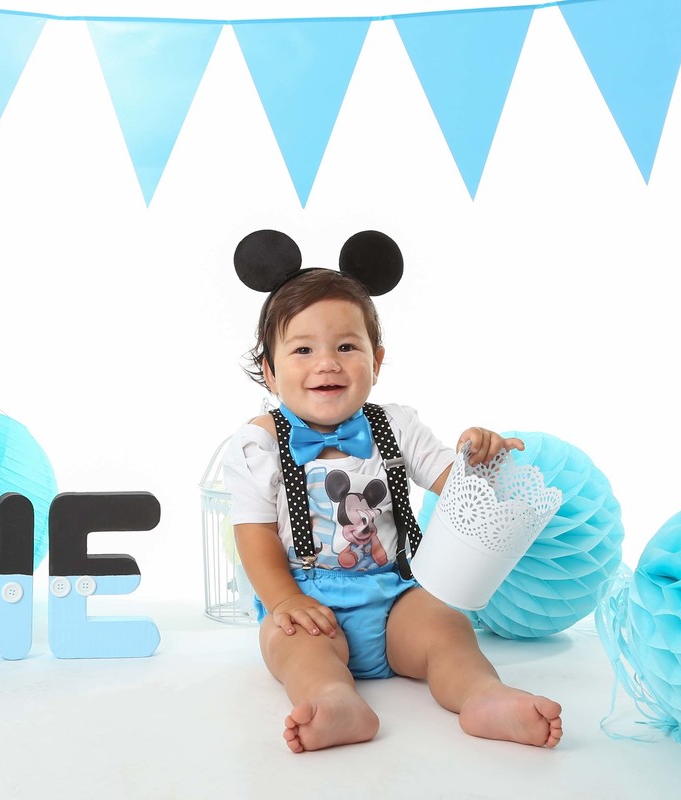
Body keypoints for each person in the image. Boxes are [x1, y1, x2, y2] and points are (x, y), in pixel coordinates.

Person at [223, 263, 563, 754]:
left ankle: (483, 695)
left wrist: (478, 459)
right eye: (303, 350)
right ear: (271, 371)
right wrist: (284, 601)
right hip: (311, 600)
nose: (327, 363)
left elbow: (456, 486)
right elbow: (252, 532)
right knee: (292, 644)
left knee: (447, 628)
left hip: (398, 596)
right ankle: (333, 698)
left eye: (346, 347)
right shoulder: (260, 443)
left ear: (376, 361)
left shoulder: (396, 426)